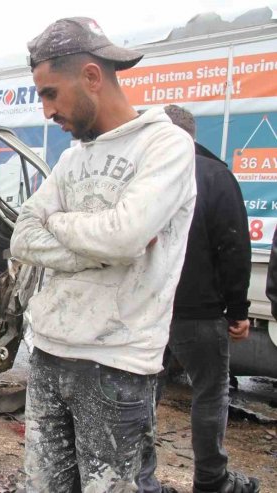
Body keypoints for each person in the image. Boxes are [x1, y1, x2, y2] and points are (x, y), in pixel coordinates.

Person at [9, 18, 196, 491]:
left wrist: (63, 224)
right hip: (49, 350)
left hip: (116, 363)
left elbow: (123, 236)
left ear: (92, 76)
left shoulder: (164, 144)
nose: (47, 111)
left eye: (51, 93)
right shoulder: (73, 158)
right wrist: (98, 250)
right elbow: (22, 237)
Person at [137, 105, 258, 493]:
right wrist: (238, 309)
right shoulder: (215, 175)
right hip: (199, 314)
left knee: (143, 395)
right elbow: (234, 246)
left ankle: (141, 481)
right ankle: (211, 480)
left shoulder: (141, 175)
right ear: (191, 134)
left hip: (148, 310)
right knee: (209, 394)